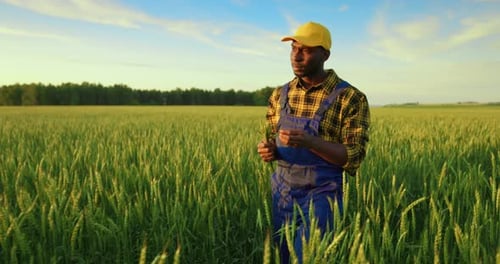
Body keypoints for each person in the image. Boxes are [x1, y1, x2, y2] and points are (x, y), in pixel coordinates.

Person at [257, 21, 370, 263]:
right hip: (282, 193)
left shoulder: (350, 98)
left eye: (306, 50)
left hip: (322, 195)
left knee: (308, 257)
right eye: (294, 49)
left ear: (325, 55)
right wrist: (269, 150)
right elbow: (272, 141)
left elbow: (354, 156)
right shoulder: (279, 94)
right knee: (282, 257)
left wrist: (312, 142)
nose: (296, 56)